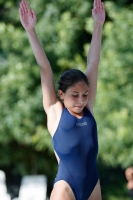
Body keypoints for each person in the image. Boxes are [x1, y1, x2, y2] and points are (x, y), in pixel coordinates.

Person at [19, 0, 105, 199]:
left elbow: (93, 63)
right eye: (75, 95)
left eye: (85, 95)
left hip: (93, 185)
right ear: (61, 94)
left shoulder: (88, 108)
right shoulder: (55, 111)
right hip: (66, 186)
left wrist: (98, 25)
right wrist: (30, 30)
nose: (81, 100)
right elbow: (45, 68)